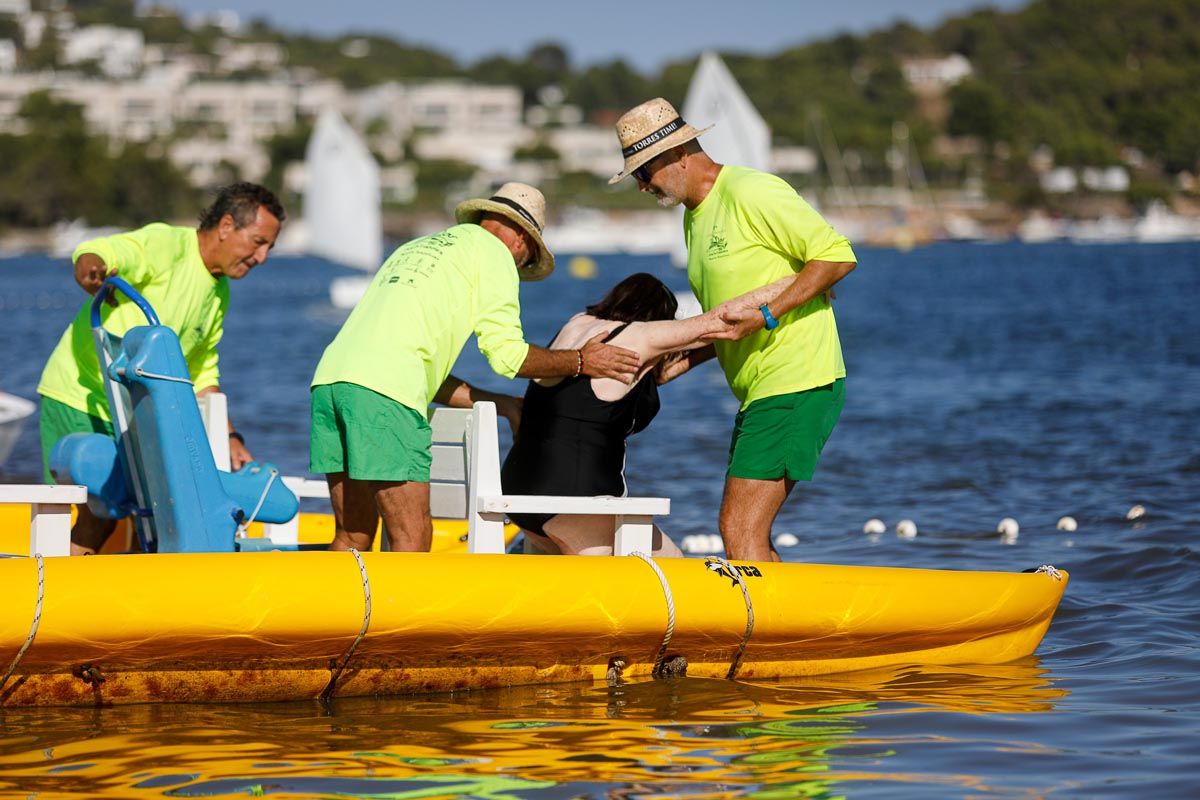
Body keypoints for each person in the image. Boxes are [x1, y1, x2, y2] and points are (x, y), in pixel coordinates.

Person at [309, 182, 641, 554]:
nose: (520, 269)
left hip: (330, 382)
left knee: (352, 535)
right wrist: (582, 361)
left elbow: (416, 372)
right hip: (383, 395)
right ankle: (406, 616)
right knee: (412, 537)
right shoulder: (495, 255)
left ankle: (334, 613)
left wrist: (505, 405)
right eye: (527, 261)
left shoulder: (417, 247)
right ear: (521, 240)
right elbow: (509, 357)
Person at [609, 98, 858, 562]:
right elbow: (729, 321)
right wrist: (686, 357)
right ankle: (784, 624)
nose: (642, 187)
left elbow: (836, 255)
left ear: (676, 154)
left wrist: (768, 314)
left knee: (740, 528)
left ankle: (777, 632)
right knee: (743, 532)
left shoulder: (750, 191)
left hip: (797, 380)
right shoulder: (692, 219)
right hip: (760, 389)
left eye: (644, 173)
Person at [37, 182, 285, 555]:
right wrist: (91, 269)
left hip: (134, 414)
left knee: (155, 508)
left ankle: (140, 595)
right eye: (258, 242)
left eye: (269, 248)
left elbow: (201, 373)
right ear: (226, 225)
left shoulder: (219, 294)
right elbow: (103, 251)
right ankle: (46, 592)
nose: (262, 257)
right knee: (94, 510)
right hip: (80, 394)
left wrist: (232, 438)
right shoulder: (169, 244)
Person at [500, 272, 786, 557]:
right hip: (575, 502)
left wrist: (723, 345)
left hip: (520, 493)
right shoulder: (640, 334)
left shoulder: (576, 324)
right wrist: (792, 290)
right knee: (675, 571)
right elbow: (718, 320)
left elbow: (657, 373)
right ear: (657, 318)